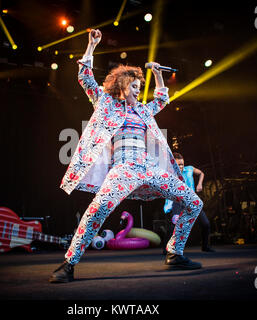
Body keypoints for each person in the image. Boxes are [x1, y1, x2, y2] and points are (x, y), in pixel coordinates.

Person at [49, 29, 204, 283]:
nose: (138, 92)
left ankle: (175, 252)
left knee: (194, 203)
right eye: (134, 87)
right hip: (123, 170)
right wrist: (91, 45)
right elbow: (85, 77)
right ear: (122, 85)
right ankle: (69, 263)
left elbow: (161, 99)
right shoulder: (106, 103)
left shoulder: (143, 110)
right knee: (96, 210)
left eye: (140, 87)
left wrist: (157, 75)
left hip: (149, 168)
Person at [163, 152, 215, 253]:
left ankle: (205, 246)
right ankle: (166, 248)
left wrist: (200, 184)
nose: (181, 167)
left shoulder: (189, 169)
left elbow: (201, 173)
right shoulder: (170, 174)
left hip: (191, 201)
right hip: (177, 201)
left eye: (182, 164)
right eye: (178, 165)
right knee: (175, 223)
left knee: (206, 224)